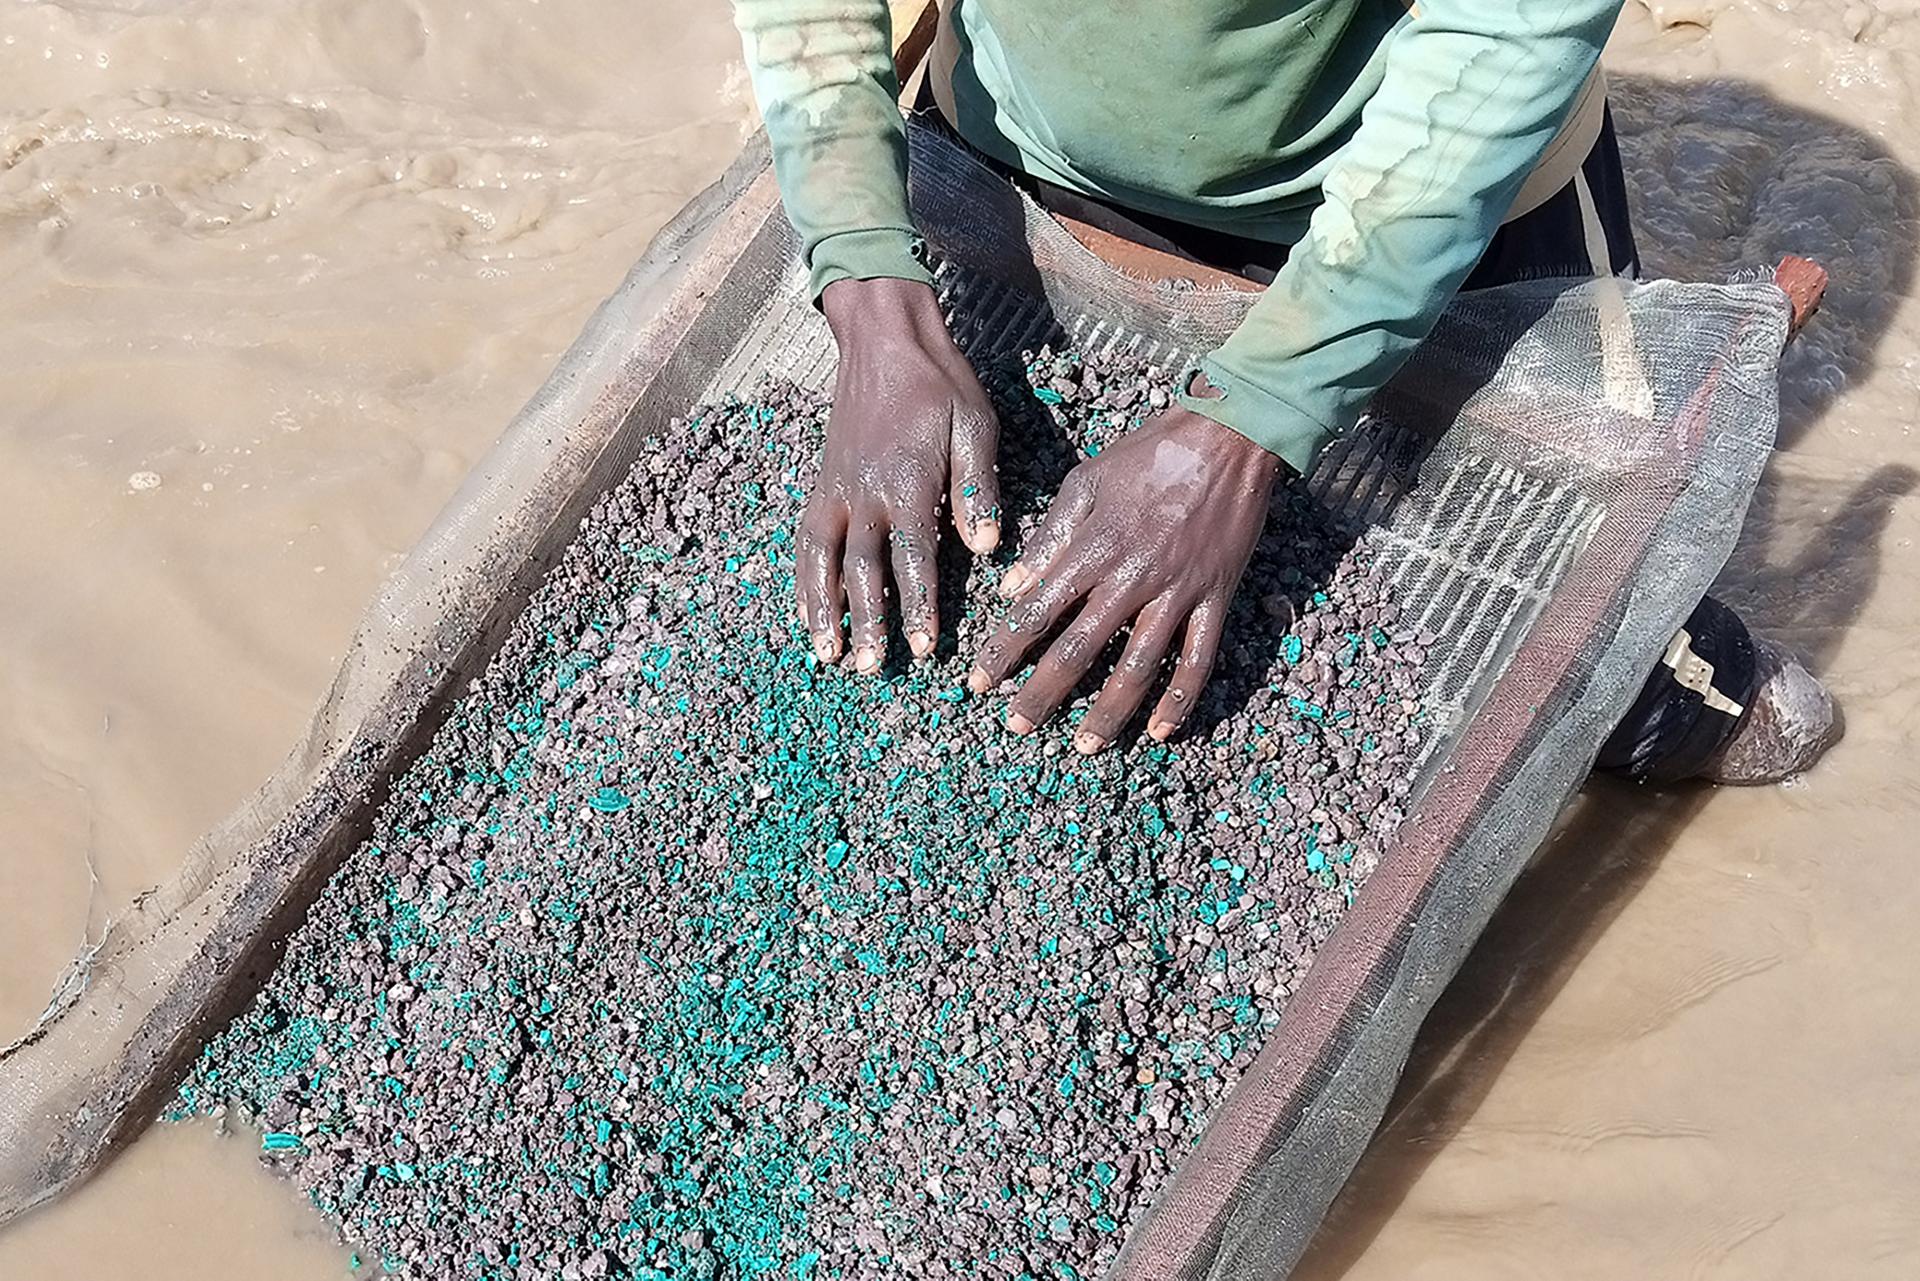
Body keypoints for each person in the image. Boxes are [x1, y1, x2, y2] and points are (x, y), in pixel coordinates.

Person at [729, 0, 1840, 783]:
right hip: (1023, 164)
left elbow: (1508, 37)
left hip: (1417, 196)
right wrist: (870, 291)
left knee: (1574, 660)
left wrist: (1254, 413)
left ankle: (1713, 709)